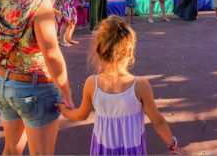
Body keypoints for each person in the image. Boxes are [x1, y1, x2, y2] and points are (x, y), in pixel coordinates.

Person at [0, 0, 74, 155]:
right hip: (35, 87)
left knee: (11, 150)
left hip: (3, 84)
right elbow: (52, 55)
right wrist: (66, 93)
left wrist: (1, 69)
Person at [55, 16, 186, 155]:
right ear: (130, 52)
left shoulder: (91, 83)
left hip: (102, 149)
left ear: (99, 51)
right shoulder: (140, 85)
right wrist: (173, 145)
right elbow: (157, 121)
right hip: (132, 149)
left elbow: (81, 115)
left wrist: (65, 111)